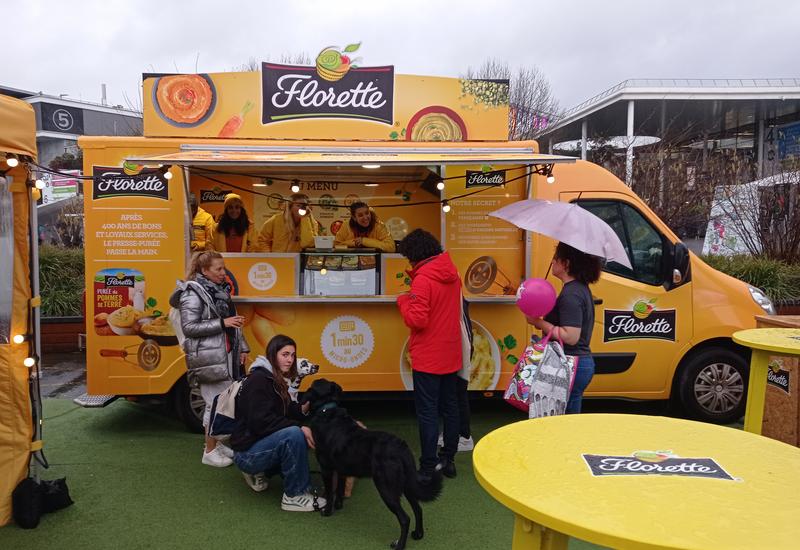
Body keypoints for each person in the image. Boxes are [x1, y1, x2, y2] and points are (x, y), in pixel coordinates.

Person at [169, 251, 249, 467]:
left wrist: (243, 348)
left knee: (218, 402)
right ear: (204, 270)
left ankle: (216, 445)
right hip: (209, 357)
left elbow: (235, 324)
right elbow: (190, 327)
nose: (224, 273)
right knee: (215, 403)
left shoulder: (219, 291)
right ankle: (209, 450)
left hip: (223, 356)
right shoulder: (192, 293)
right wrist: (223, 323)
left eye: (223, 268)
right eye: (219, 269)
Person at [229, 334, 326, 512]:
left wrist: (307, 405)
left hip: (255, 443)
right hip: (246, 454)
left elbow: (288, 410)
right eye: (285, 354)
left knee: (297, 432)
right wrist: (299, 428)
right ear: (273, 355)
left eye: (293, 355)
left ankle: (272, 473)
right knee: (294, 434)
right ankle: (294, 495)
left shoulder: (275, 378)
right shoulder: (258, 380)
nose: (290, 360)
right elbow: (261, 422)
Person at [396, 229, 461, 480]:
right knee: (450, 408)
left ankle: (427, 466)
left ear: (414, 254)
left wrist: (403, 301)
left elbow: (417, 320)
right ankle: (449, 460)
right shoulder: (452, 274)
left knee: (428, 412)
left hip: (428, 356)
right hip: (451, 351)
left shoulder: (423, 279)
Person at [525, 242, 602, 413]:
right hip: (576, 364)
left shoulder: (571, 294)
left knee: (565, 424)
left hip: (571, 365)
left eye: (556, 258)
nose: (552, 262)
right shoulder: (578, 289)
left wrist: (537, 322)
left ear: (566, 264)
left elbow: (570, 336)